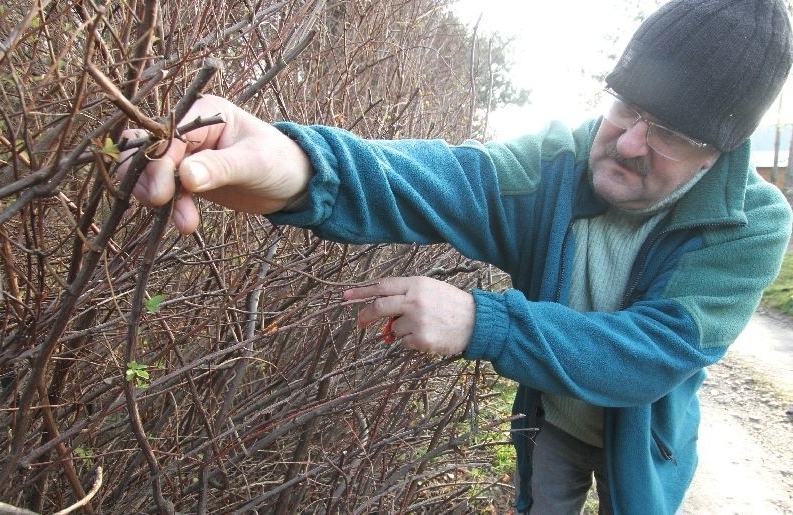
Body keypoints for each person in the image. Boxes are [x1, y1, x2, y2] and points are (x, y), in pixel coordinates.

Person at [120, 0, 793, 512]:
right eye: (627, 106)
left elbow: (646, 356)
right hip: (552, 415)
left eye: (668, 133)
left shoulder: (750, 226)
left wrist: (482, 322)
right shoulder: (558, 163)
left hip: (646, 437)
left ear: (720, 152)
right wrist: (298, 162)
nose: (628, 142)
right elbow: (442, 179)